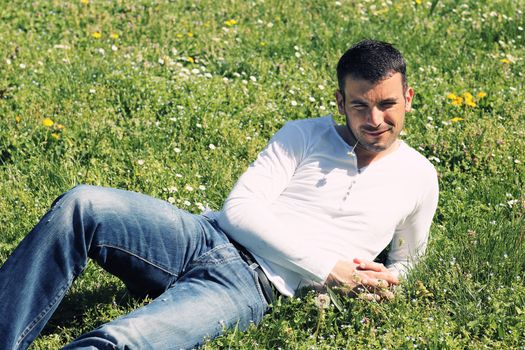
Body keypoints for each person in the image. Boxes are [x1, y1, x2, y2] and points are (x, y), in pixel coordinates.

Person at [0, 39, 439, 350]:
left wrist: (391, 280)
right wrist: (330, 269)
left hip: (251, 284)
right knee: (82, 204)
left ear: (408, 98)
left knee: (121, 342)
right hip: (201, 235)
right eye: (360, 105)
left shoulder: (419, 177)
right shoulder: (303, 134)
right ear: (341, 103)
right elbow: (239, 211)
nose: (374, 118)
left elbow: (407, 258)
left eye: (387, 105)